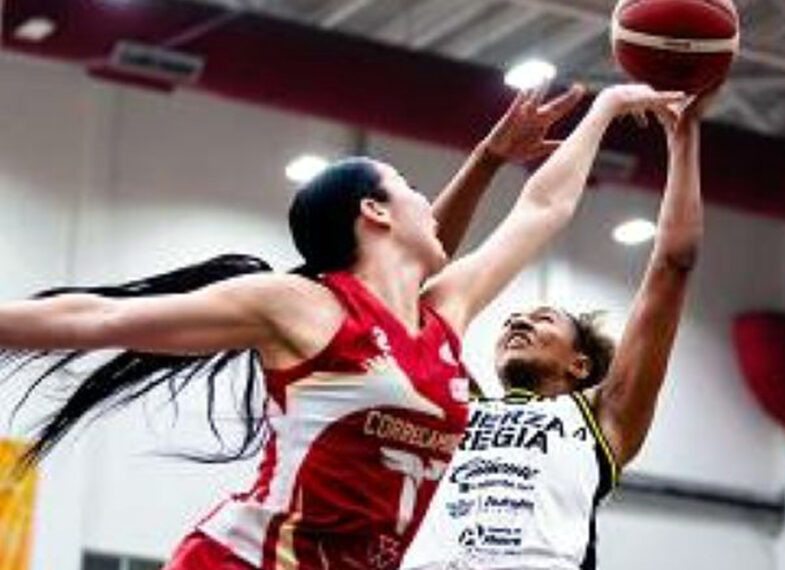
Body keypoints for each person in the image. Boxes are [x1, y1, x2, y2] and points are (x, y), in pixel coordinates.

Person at [0, 83, 682, 570]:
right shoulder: (301, 307)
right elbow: (96, 315)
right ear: (376, 213)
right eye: (411, 188)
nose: (426, 200)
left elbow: (542, 210)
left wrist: (609, 107)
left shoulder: (442, 318)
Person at [400, 90, 712, 570]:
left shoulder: (601, 417)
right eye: (510, 321)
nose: (518, 321)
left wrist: (684, 136)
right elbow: (406, 291)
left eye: (542, 319)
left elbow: (675, 263)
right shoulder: (458, 406)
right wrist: (487, 159)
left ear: (579, 364)